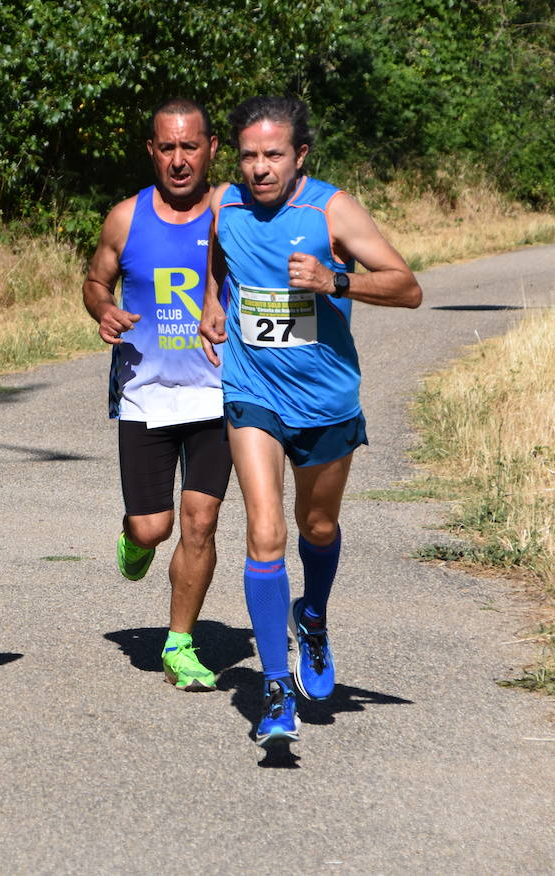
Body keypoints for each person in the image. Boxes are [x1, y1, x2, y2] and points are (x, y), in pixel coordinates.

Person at [197, 96, 421, 745]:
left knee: (315, 526)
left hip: (326, 400)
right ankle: (274, 687)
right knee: (264, 532)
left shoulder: (331, 209)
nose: (259, 168)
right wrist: (214, 305)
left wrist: (336, 282)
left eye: (273, 155)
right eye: (248, 155)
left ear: (300, 155)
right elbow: (217, 263)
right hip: (251, 389)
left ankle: (313, 618)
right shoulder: (224, 204)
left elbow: (407, 287)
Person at [83, 98, 232, 691]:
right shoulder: (125, 216)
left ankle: (180, 644)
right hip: (145, 393)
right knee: (154, 527)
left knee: (202, 522)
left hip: (217, 393)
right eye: (166, 147)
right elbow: (96, 280)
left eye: (189, 146)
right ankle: (134, 536)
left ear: (211, 148)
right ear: (151, 150)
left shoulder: (231, 212)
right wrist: (104, 309)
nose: (178, 160)